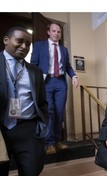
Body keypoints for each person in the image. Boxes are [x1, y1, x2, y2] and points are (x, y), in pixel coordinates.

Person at [0, 27, 48, 176]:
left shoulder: (35, 71)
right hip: (1, 131)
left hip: (27, 128)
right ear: (6, 40)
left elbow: (43, 102)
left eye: (28, 43)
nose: (24, 46)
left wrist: (43, 124)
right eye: (19, 41)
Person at [30, 22, 79, 154]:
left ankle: (57, 141)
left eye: (58, 31)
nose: (56, 34)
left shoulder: (64, 49)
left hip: (60, 83)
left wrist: (73, 76)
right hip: (46, 82)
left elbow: (67, 66)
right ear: (48, 32)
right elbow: (33, 65)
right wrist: (37, 80)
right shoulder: (39, 46)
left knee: (59, 112)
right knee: (49, 111)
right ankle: (49, 143)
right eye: (54, 31)